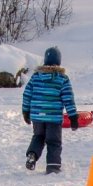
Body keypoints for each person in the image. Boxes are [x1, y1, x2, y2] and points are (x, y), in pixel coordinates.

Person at [22, 46, 79, 174]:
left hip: (37, 116)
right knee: (53, 141)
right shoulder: (62, 78)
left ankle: (32, 154)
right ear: (59, 61)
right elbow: (68, 99)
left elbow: (27, 95)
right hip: (53, 117)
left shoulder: (36, 77)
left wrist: (26, 112)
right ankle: (53, 167)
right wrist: (73, 116)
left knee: (38, 137)